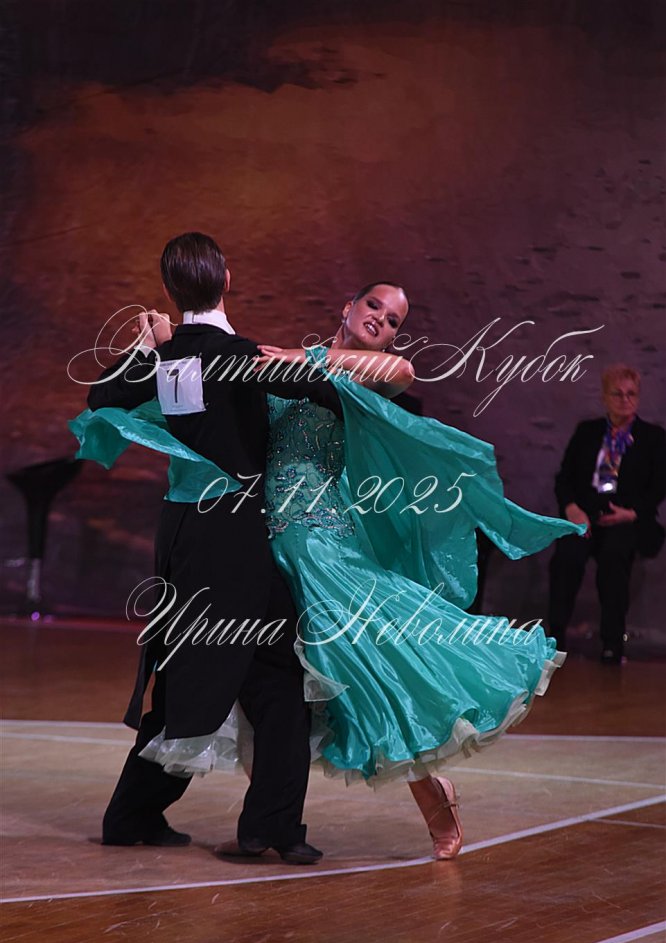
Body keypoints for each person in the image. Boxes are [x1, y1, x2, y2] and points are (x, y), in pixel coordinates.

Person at [75, 282, 585, 862]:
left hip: (324, 550)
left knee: (371, 671)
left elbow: (401, 371)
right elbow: (217, 390)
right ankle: (264, 823)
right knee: (275, 693)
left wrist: (300, 355)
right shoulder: (273, 364)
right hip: (267, 547)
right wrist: (170, 345)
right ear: (347, 306)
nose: (381, 320)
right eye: (374, 306)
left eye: (393, 320)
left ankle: (430, 797)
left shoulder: (365, 373)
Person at [82, 232, 346, 865]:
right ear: (227, 280)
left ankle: (141, 816)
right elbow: (334, 395)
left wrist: (148, 348)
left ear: (171, 290)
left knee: (205, 674)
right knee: (267, 676)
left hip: (183, 535)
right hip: (232, 534)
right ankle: (269, 826)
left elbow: (101, 398)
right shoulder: (244, 357)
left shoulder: (169, 359)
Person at [548, 363, 666, 664]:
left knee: (615, 558)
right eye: (617, 394)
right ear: (604, 397)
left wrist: (632, 513)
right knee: (567, 558)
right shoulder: (587, 432)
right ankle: (554, 639)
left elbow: (659, 486)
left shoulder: (653, 437)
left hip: (627, 518)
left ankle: (612, 644)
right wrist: (572, 508)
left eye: (631, 394)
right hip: (585, 516)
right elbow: (564, 479)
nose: (625, 400)